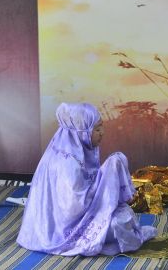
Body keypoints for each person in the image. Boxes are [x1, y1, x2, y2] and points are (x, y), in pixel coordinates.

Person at [17, 102, 157, 256]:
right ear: (81, 131)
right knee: (121, 223)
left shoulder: (73, 150)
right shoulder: (68, 163)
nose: (102, 133)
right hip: (66, 228)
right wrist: (109, 175)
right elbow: (74, 207)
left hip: (70, 219)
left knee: (124, 216)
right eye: (96, 129)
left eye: (101, 127)